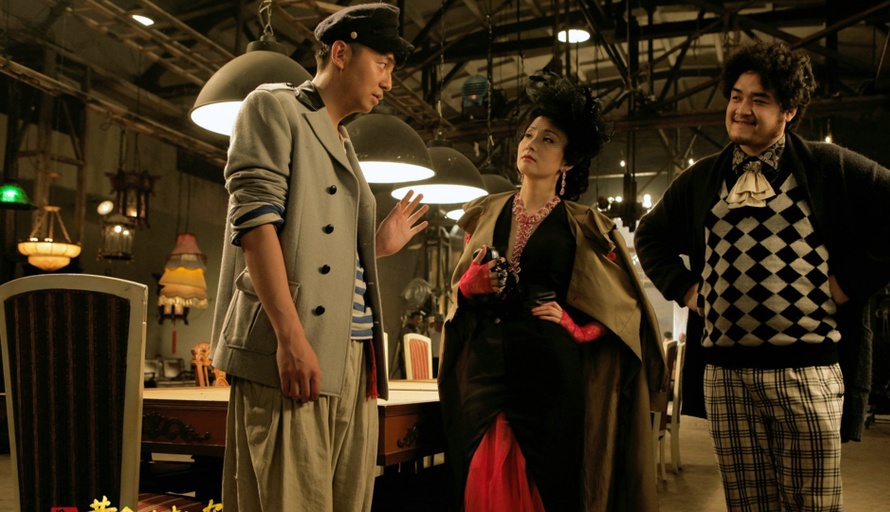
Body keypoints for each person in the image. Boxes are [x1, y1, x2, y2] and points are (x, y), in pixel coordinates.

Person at [634, 41, 890, 511]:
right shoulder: (703, 178)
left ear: (789, 110)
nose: (741, 109)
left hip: (806, 373)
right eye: (736, 96)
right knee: (747, 506)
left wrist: (849, 282)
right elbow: (649, 235)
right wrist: (687, 290)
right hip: (726, 379)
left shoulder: (827, 167)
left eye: (759, 100)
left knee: (813, 505)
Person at [209, 4, 429, 510]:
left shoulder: (343, 138)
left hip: (354, 353)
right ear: (341, 53)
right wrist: (290, 338)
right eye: (383, 64)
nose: (389, 82)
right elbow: (255, 225)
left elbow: (316, 245)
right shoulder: (274, 107)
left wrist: (375, 246)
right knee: (289, 499)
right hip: (297, 343)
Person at [438, 75, 667, 512]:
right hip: (485, 366)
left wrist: (578, 329)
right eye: (529, 134)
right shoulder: (487, 212)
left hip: (549, 369)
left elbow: (625, 308)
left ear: (567, 160)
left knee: (548, 481)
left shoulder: (583, 224)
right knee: (480, 475)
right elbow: (457, 294)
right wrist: (468, 287)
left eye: (548, 139)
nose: (532, 144)